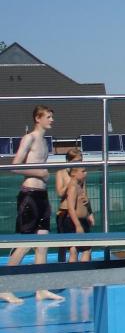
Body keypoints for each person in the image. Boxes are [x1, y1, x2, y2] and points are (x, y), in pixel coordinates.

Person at [1, 105, 64, 304]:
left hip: (42, 194)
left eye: (52, 117)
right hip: (29, 195)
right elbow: (14, 166)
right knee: (25, 243)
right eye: (49, 117)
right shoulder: (30, 138)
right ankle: (5, 286)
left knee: (43, 243)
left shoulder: (45, 142)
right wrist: (39, 172)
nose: (52, 120)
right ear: (38, 118)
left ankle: (41, 288)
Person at [55, 148, 94, 263]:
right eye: (76, 161)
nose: (79, 163)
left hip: (80, 214)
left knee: (85, 247)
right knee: (68, 247)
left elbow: (84, 195)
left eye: (81, 160)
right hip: (65, 213)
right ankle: (63, 268)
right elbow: (60, 193)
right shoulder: (61, 173)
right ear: (68, 161)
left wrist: (90, 213)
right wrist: (72, 180)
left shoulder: (81, 174)